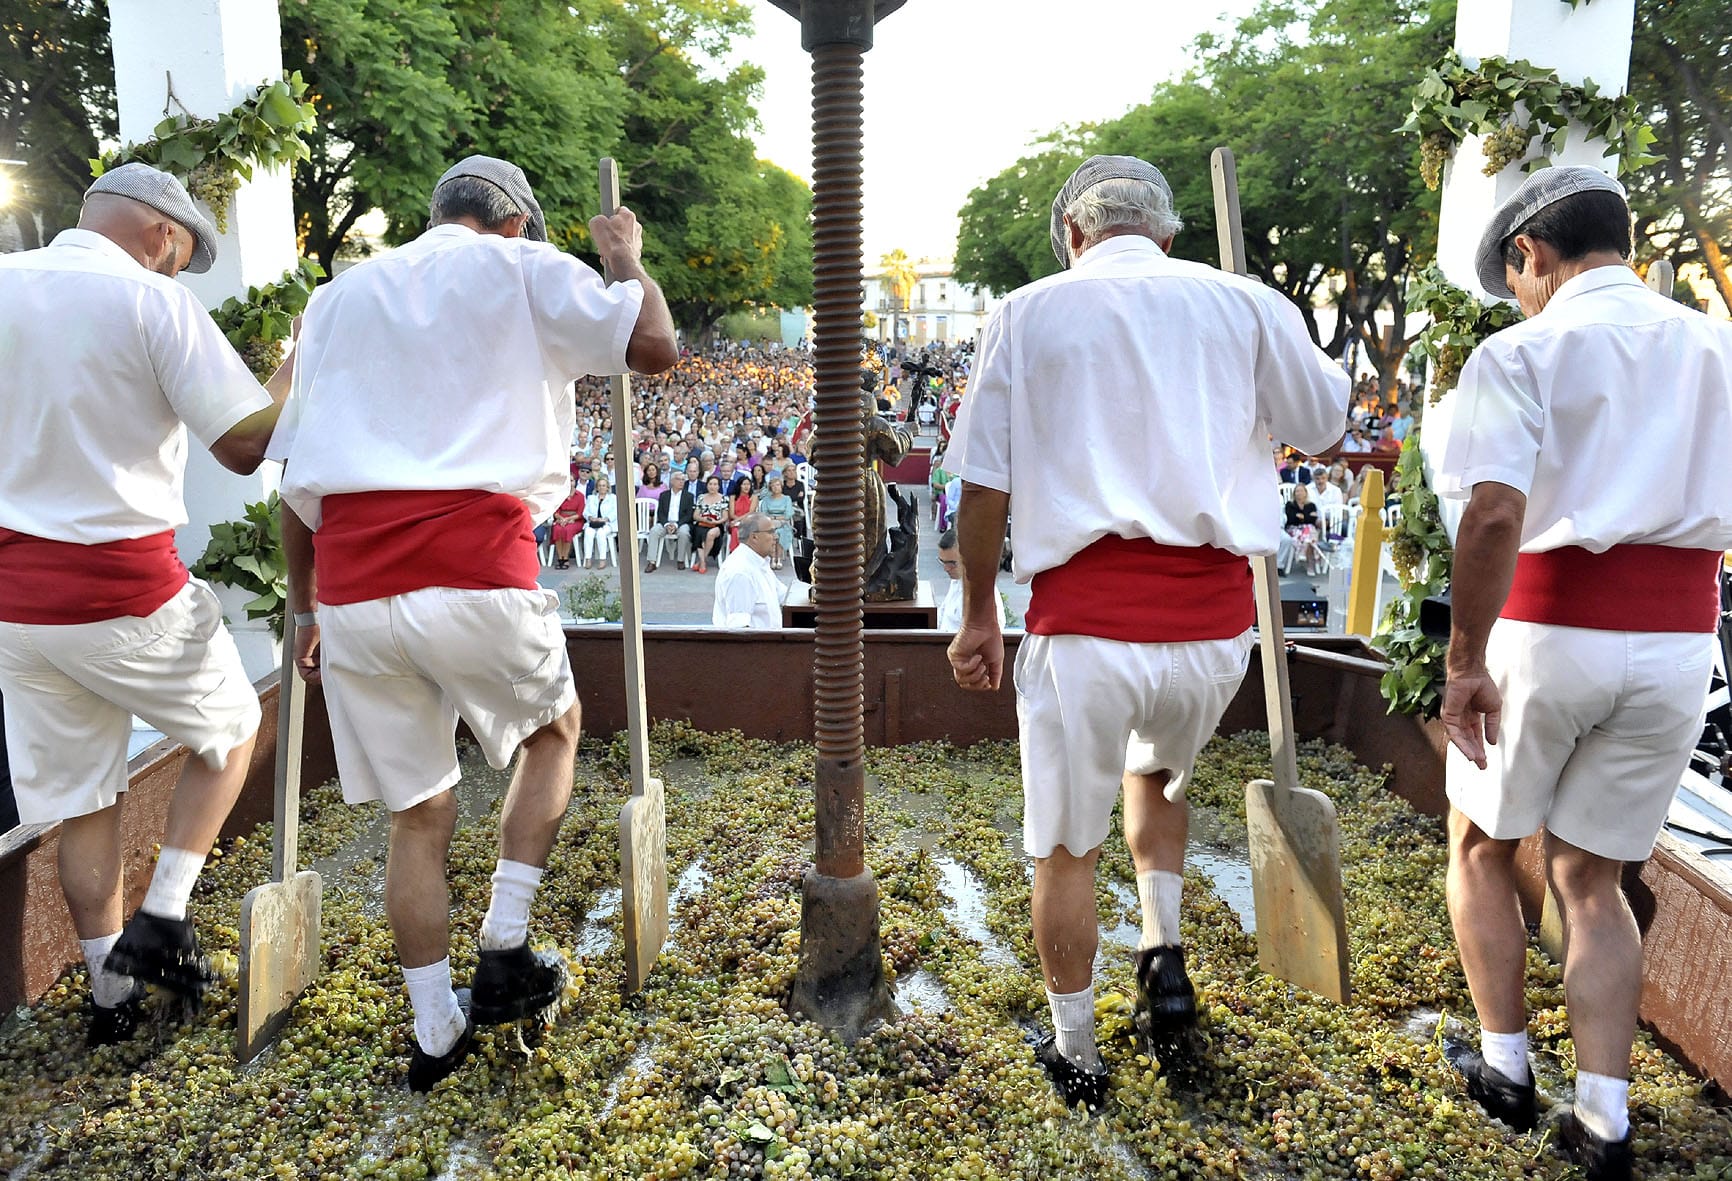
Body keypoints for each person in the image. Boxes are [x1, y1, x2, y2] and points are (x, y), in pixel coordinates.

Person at [942, 154, 1346, 1110]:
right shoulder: (1243, 303)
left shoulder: (1029, 310)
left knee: (1065, 848)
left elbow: (983, 483)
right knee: (1159, 774)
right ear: (1167, 235)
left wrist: (975, 613)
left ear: (1075, 236)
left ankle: (1077, 1052)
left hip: (1085, 628)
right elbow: (1327, 424)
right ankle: (1163, 954)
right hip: (1213, 636)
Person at [271, 154, 679, 1091]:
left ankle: (433, 1030)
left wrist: (307, 609)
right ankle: (504, 940)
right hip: (476, 565)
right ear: (517, 224)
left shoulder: (338, 297)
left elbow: (292, 482)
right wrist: (625, 259)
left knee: (418, 816)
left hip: (356, 588)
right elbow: (653, 346)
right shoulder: (526, 268)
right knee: (554, 733)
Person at [1433, 167, 1732, 1180]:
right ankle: (1605, 1120)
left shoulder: (1525, 346)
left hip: (1551, 622)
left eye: (1514, 274)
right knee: (1592, 878)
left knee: (1480, 844)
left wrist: (1463, 659)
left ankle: (1505, 1069)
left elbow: (1491, 516)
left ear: (1533, 257)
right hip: (1681, 638)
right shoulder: (1716, 341)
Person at [0, 164, 290, 1043]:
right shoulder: (152, 303)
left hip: (15, 604)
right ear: (162, 235)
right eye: (182, 255)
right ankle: (163, 918)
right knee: (233, 728)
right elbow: (245, 444)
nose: (176, 271)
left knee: (88, 798)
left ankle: (108, 995)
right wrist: (294, 366)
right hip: (121, 585)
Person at [712, 512, 784, 629]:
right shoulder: (740, 572)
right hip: (758, 645)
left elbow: (783, 596)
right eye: (771, 532)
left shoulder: (759, 563)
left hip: (769, 642)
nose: (775, 537)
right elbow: (739, 628)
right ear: (754, 537)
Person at [936, 527, 1005, 632]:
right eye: (943, 562)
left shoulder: (981, 593)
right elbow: (943, 616)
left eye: (952, 563)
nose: (946, 568)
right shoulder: (957, 579)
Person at [647, 471, 695, 572]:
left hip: (681, 523)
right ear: (672, 481)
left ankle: (680, 560)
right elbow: (660, 513)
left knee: (684, 532)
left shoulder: (689, 496)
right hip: (666, 522)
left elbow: (689, 515)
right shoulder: (664, 495)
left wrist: (676, 525)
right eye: (679, 479)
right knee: (654, 531)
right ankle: (652, 562)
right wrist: (667, 524)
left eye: (683, 480)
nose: (681, 482)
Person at [758, 473, 796, 570]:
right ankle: (773, 558)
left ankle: (778, 559)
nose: (776, 487)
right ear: (770, 488)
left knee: (780, 532)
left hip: (784, 524)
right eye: (773, 486)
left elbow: (788, 515)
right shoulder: (766, 500)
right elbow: (764, 514)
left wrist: (774, 517)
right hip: (769, 524)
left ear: (781, 486)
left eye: (778, 485)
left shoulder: (787, 499)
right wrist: (777, 517)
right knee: (773, 533)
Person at [1284, 483, 1323, 574]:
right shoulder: (1290, 505)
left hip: (1308, 530)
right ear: (1294, 493)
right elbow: (1291, 519)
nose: (1299, 493)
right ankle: (1310, 565)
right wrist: (1307, 517)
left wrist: (1301, 517)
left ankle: (1302, 552)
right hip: (1294, 529)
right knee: (1308, 536)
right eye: (1297, 491)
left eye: (1301, 491)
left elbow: (1312, 520)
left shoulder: (1311, 505)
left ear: (1306, 493)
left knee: (1308, 531)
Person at [693, 474, 729, 574]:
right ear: (707, 485)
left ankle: (701, 560)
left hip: (717, 524)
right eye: (710, 484)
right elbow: (695, 515)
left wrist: (716, 522)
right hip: (702, 523)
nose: (712, 486)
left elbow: (725, 517)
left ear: (718, 486)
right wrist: (704, 519)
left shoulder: (724, 498)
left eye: (715, 484)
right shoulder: (701, 497)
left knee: (711, 534)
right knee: (699, 533)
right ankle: (703, 562)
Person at [582, 475, 617, 569]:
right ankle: (588, 558)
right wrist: (590, 517)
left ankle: (602, 559)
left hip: (607, 523)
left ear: (607, 487)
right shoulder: (591, 498)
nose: (602, 487)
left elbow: (615, 512)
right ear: (597, 487)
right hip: (593, 523)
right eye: (600, 485)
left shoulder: (613, 498)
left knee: (601, 533)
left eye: (604, 485)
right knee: (588, 532)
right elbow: (585, 512)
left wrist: (605, 519)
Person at [549, 485, 585, 570]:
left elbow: (580, 513)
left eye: (572, 480)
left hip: (575, 520)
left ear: (575, 482)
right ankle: (560, 557)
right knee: (557, 529)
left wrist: (568, 519)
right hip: (561, 518)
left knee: (567, 530)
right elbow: (555, 512)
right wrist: (561, 519)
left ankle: (565, 558)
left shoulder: (580, 495)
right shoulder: (560, 495)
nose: (570, 482)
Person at [728, 475, 757, 551]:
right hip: (735, 522)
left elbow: (751, 512)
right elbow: (731, 514)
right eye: (744, 484)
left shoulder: (754, 497)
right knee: (735, 531)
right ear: (739, 486)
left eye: (748, 484)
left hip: (749, 521)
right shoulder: (733, 497)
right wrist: (737, 521)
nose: (746, 487)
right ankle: (735, 552)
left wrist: (739, 520)